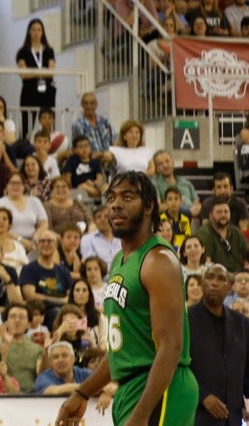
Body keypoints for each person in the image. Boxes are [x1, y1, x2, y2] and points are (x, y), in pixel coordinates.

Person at [53, 172, 197, 426]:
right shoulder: (119, 261)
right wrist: (82, 392)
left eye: (127, 197)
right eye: (111, 198)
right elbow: (122, 351)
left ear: (149, 206)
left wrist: (141, 415)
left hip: (162, 389)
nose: (116, 204)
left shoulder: (158, 260)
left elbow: (171, 346)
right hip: (130, 388)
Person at [188, 263, 249, 426]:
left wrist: (247, 401)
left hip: (233, 417)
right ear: (203, 284)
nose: (214, 283)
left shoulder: (242, 324)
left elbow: (247, 369)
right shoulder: (186, 320)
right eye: (210, 277)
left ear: (230, 287)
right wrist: (203, 396)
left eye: (221, 279)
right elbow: (178, 367)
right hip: (197, 415)